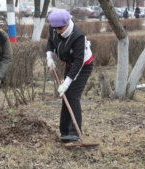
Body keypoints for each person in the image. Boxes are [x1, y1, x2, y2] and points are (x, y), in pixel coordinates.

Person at [46, 9, 93, 143]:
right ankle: (65, 131)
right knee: (65, 96)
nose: (57, 31)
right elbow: (51, 41)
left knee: (72, 96)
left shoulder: (78, 37)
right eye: (55, 28)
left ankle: (75, 133)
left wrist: (66, 83)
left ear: (67, 23)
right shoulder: (54, 28)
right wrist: (49, 55)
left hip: (83, 66)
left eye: (60, 28)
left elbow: (79, 62)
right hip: (70, 64)